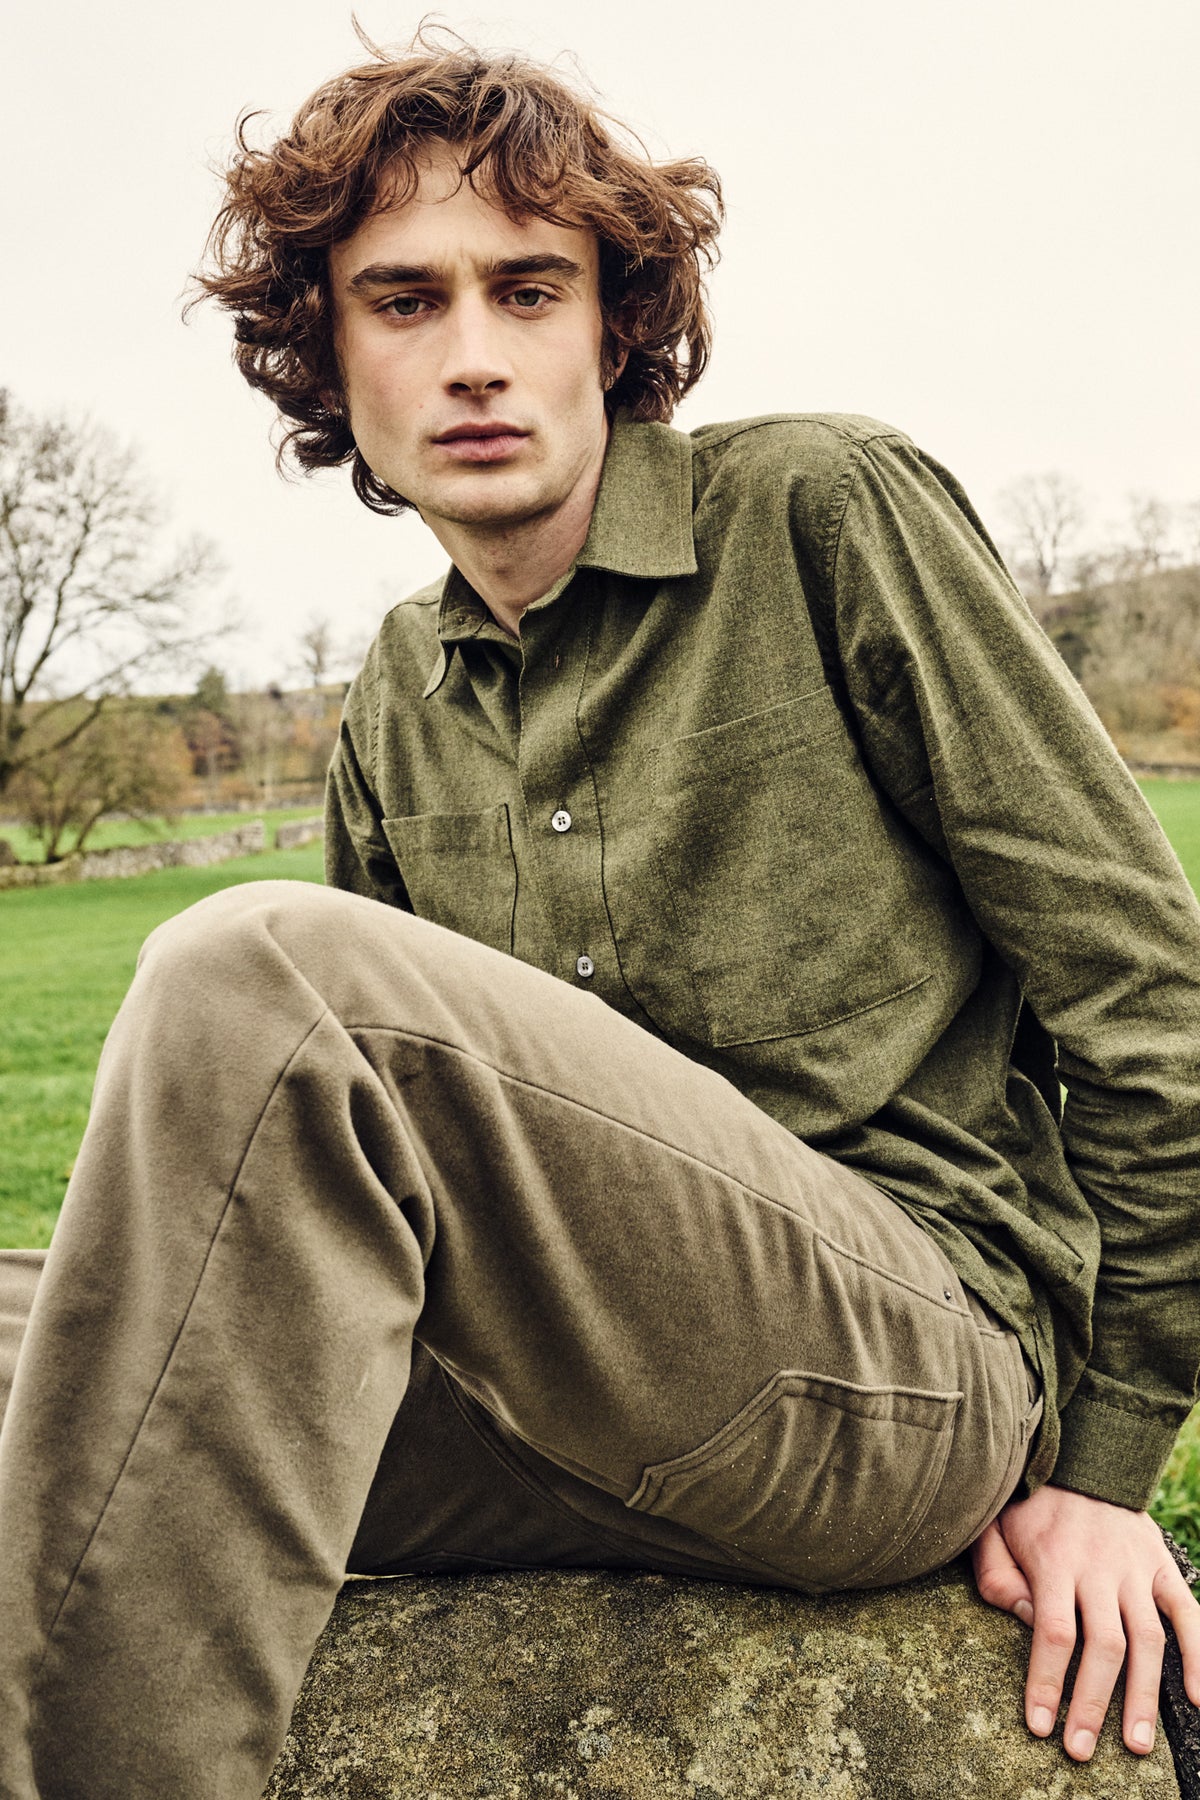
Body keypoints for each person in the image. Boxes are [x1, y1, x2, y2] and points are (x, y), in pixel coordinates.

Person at [2, 36, 1199, 1800]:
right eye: (401, 302)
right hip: (557, 1403)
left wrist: (1102, 1472)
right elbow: (331, 1192)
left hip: (902, 1369)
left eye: (529, 288)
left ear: (613, 328)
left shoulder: (822, 511)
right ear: (331, 358)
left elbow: (1149, 1000)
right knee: (51, 1351)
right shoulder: (397, 694)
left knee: (251, 968)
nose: (473, 354)